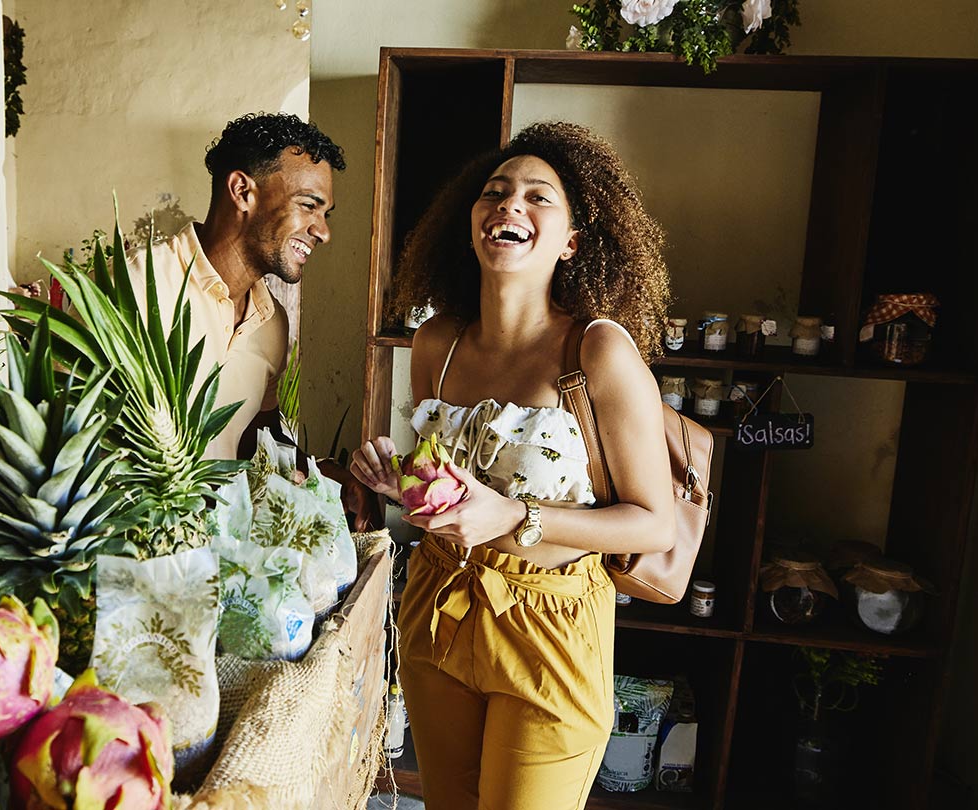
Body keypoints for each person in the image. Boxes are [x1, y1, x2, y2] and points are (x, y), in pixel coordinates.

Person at [349, 122, 682, 809]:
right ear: (470, 221)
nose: (509, 204)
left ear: (572, 243)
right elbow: (450, 483)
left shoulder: (596, 352)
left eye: (538, 197)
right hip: (439, 606)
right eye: (495, 193)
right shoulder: (435, 341)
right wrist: (399, 481)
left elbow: (655, 525)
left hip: (551, 629)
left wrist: (516, 516)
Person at [128, 112, 345, 460]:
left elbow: (257, 436)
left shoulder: (272, 322)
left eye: (324, 214)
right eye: (308, 206)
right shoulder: (140, 285)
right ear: (242, 192)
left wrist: (328, 476)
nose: (323, 231)